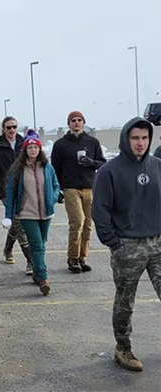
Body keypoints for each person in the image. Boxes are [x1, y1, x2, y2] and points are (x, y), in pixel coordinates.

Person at [92, 117, 161, 372]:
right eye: (135, 138)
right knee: (125, 300)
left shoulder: (157, 166)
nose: (140, 143)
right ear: (126, 139)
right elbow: (100, 211)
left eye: (144, 138)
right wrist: (114, 243)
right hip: (127, 247)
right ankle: (123, 348)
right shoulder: (109, 171)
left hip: (158, 243)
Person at [4, 130, 60, 295]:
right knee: (36, 245)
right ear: (25, 150)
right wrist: (8, 215)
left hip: (46, 213)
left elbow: (56, 185)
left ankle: (36, 271)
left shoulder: (47, 167)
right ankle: (43, 278)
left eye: (36, 147)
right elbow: (11, 193)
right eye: (30, 147)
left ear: (40, 149)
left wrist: (54, 197)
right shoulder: (19, 169)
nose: (33, 150)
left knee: (42, 244)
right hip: (27, 213)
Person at [51, 111, 106, 273]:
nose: (76, 123)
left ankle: (83, 257)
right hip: (70, 187)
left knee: (88, 223)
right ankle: (72, 258)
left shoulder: (92, 142)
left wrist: (91, 162)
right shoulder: (61, 144)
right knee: (77, 222)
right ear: (69, 124)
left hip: (89, 186)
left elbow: (102, 163)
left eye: (79, 120)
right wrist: (58, 189)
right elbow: (55, 168)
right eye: (73, 120)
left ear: (83, 123)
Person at [0, 116, 32, 272]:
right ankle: (31, 262)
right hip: (7, 190)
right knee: (20, 223)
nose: (12, 130)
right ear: (3, 129)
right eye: (8, 127)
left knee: (16, 224)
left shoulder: (24, 143)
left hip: (25, 189)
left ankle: (8, 249)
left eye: (14, 127)